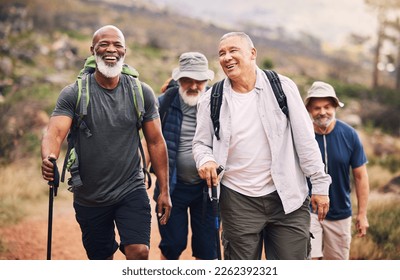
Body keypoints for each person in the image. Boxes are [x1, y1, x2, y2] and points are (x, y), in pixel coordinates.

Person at [192, 31, 332, 260]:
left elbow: (305, 141)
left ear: (252, 53)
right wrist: (205, 159)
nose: (226, 58)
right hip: (238, 200)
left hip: (287, 197)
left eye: (233, 50)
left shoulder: (282, 88)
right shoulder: (211, 99)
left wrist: (319, 184)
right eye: (221, 53)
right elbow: (200, 143)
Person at [41, 25, 171, 260]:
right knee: (101, 259)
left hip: (131, 187)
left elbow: (155, 142)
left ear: (124, 51)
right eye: (104, 44)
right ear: (93, 50)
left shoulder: (141, 93)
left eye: (117, 45)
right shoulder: (74, 93)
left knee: (139, 252)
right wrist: (49, 157)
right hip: (89, 195)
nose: (111, 49)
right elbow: (55, 133)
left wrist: (164, 190)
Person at [142, 52, 217, 260]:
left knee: (208, 249)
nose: (193, 86)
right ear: (178, 79)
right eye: (187, 80)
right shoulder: (164, 103)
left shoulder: (218, 102)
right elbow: (150, 141)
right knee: (172, 245)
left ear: (207, 80)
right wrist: (140, 172)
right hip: (171, 187)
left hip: (208, 189)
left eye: (199, 81)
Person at [304, 81, 370, 260]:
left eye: (327, 106)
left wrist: (362, 214)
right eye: (316, 108)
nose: (322, 112)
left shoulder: (350, 135)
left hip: (340, 213)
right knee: (310, 262)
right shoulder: (302, 135)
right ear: (309, 109)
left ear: (335, 107)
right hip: (308, 211)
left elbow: (360, 176)